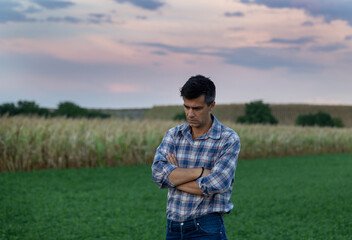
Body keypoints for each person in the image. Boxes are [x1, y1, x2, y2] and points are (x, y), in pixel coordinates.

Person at [152, 75, 241, 240]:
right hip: (173, 227)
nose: (190, 113)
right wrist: (201, 172)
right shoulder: (174, 135)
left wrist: (174, 178)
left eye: (197, 108)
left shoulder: (227, 139)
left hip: (206, 228)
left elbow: (216, 184)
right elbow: (158, 175)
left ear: (211, 105)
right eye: (186, 107)